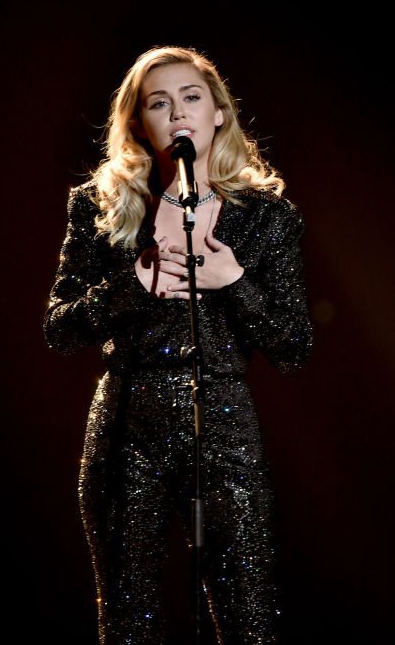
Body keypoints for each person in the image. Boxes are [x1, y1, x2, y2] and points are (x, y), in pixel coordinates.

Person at [44, 45, 312, 643]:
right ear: (139, 123)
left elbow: (294, 346)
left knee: (250, 622)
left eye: (192, 97)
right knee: (128, 620)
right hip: (124, 431)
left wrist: (235, 284)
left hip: (224, 432)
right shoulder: (100, 208)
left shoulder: (267, 219)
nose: (178, 112)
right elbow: (59, 328)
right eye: (158, 103)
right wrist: (132, 286)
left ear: (219, 113)